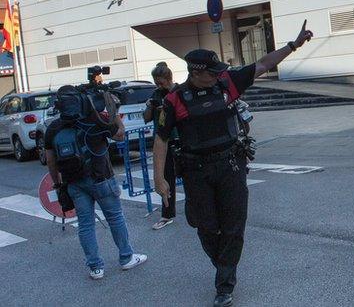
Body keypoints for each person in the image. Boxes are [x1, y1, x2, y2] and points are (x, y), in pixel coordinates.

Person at [153, 21, 313, 307]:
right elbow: (161, 139)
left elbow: (263, 63)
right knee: (205, 228)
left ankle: (225, 284)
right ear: (195, 72)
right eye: (211, 72)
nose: (217, 76)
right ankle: (224, 266)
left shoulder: (227, 82)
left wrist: (293, 45)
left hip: (231, 165)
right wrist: (159, 179)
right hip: (196, 172)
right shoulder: (174, 100)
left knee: (234, 226)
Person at [45, 85, 148, 280]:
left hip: (74, 182)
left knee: (85, 225)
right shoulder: (93, 120)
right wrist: (112, 110)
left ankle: (95, 268)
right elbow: (119, 135)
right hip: (102, 178)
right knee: (115, 217)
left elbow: (51, 161)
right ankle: (126, 257)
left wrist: (58, 184)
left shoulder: (53, 128)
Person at [144, 62, 177, 230]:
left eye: (161, 82)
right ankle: (167, 214)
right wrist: (151, 106)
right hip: (162, 141)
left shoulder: (178, 92)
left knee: (192, 176)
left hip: (179, 139)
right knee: (165, 177)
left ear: (168, 78)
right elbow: (146, 118)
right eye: (156, 82)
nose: (158, 86)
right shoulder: (155, 95)